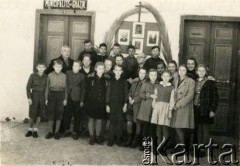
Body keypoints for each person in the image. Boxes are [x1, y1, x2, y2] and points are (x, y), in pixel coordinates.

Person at [194, 64, 219, 157]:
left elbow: (215, 97)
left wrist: (212, 110)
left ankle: (203, 148)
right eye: (199, 70)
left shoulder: (210, 82)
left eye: (203, 71)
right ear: (196, 72)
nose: (201, 72)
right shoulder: (195, 81)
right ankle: (199, 146)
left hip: (206, 109)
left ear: (206, 72)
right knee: (198, 129)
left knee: (205, 129)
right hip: (197, 108)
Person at [170, 65, 195, 154]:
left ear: (186, 71)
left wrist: (179, 104)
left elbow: (190, 95)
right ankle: (180, 146)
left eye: (183, 70)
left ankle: (183, 147)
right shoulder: (176, 81)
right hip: (176, 106)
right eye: (180, 70)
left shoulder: (191, 81)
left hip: (184, 107)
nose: (181, 72)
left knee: (180, 127)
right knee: (176, 127)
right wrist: (173, 103)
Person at [151, 70, 175, 153]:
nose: (166, 78)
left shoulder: (172, 87)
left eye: (168, 76)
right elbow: (155, 97)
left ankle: (163, 147)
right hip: (158, 107)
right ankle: (158, 146)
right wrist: (154, 107)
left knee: (165, 128)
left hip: (166, 108)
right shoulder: (158, 86)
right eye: (164, 76)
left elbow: (172, 100)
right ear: (161, 77)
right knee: (158, 127)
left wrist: (170, 110)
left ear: (170, 77)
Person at [85, 62, 107, 145]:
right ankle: (91, 137)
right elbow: (87, 91)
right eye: (99, 68)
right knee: (91, 119)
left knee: (99, 120)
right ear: (96, 69)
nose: (101, 70)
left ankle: (97, 137)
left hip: (101, 103)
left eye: (102, 68)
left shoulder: (106, 79)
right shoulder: (90, 78)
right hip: (91, 102)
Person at [45, 59, 68, 140]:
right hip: (52, 95)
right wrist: (46, 98)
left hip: (61, 95)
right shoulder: (50, 75)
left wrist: (65, 99)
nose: (58, 68)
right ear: (53, 67)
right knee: (50, 113)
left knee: (59, 113)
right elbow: (47, 87)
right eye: (56, 66)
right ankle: (50, 132)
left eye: (59, 67)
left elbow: (66, 89)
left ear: (62, 67)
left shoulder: (64, 76)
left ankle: (57, 132)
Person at [106, 65, 128, 147]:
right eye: (116, 70)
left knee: (120, 122)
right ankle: (111, 139)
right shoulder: (110, 81)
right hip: (112, 104)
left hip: (121, 104)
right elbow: (108, 93)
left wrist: (125, 104)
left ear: (122, 71)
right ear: (114, 71)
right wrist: (107, 104)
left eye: (119, 70)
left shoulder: (124, 81)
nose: (118, 72)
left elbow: (126, 93)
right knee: (112, 121)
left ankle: (118, 139)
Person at [125, 68, 147, 147]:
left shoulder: (146, 83)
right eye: (140, 73)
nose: (142, 75)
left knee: (138, 123)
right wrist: (130, 97)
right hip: (131, 105)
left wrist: (134, 100)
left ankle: (135, 140)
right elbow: (130, 91)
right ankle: (129, 139)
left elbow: (143, 94)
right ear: (138, 73)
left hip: (139, 105)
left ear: (146, 74)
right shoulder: (134, 81)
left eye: (144, 73)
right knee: (129, 122)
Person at [137, 69, 158, 151]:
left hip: (154, 108)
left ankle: (151, 145)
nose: (153, 77)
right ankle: (144, 145)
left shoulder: (159, 84)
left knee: (152, 128)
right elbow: (141, 94)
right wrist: (150, 95)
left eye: (155, 75)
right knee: (145, 127)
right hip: (145, 108)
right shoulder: (145, 83)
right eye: (151, 75)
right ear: (149, 75)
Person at [64, 60, 85, 140]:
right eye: (73, 65)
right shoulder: (68, 73)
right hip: (68, 96)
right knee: (67, 114)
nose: (74, 67)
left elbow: (83, 89)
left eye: (76, 66)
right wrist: (65, 97)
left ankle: (75, 132)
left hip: (77, 98)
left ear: (80, 67)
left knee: (77, 116)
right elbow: (66, 85)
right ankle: (67, 130)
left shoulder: (82, 76)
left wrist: (82, 100)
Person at [25, 61, 47, 138]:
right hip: (34, 96)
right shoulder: (32, 76)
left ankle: (35, 130)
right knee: (32, 114)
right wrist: (29, 98)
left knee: (39, 114)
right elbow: (28, 88)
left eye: (43, 67)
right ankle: (30, 130)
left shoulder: (46, 77)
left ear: (45, 68)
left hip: (43, 97)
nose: (41, 69)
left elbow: (47, 89)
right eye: (39, 67)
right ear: (37, 67)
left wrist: (46, 99)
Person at [79, 54, 94, 136]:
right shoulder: (80, 70)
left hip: (90, 94)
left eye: (88, 60)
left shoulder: (93, 71)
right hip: (81, 94)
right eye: (85, 60)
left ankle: (89, 129)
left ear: (90, 61)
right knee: (81, 111)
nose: (86, 62)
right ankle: (81, 128)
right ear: (82, 61)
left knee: (89, 111)